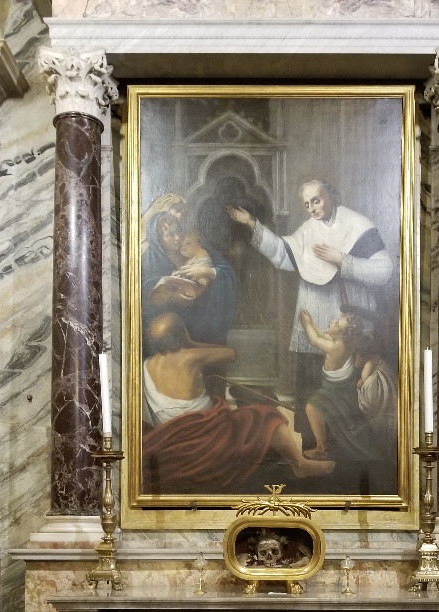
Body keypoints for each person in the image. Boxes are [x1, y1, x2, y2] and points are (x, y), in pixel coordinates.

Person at [227, 180, 393, 434]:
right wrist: (252, 224)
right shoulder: (309, 229)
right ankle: (311, 441)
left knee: (346, 392)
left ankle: (344, 448)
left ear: (332, 196)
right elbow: (284, 254)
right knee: (311, 383)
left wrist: (342, 260)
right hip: (313, 313)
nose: (312, 208)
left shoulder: (357, 225)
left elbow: (385, 270)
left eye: (316, 200)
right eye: (307, 204)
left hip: (347, 319)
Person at [141, 314, 335, 495]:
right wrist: (191, 343)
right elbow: (231, 354)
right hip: (205, 431)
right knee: (266, 415)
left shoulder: (146, 364)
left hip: (170, 435)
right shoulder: (191, 356)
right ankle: (300, 464)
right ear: (182, 335)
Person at [142, 201, 236, 346]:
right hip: (172, 326)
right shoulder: (150, 259)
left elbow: (227, 272)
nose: (178, 238)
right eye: (170, 235)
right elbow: (143, 295)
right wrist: (171, 297)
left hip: (204, 318)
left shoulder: (193, 245)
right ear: (158, 240)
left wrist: (207, 271)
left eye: (178, 231)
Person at [298, 307, 382, 462]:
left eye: (336, 324)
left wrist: (307, 324)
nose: (332, 322)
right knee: (340, 416)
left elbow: (315, 340)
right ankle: (322, 447)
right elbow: (323, 335)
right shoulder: (344, 343)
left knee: (311, 406)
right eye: (336, 321)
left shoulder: (335, 346)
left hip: (333, 388)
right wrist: (313, 324)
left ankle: (321, 448)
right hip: (340, 385)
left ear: (343, 334)